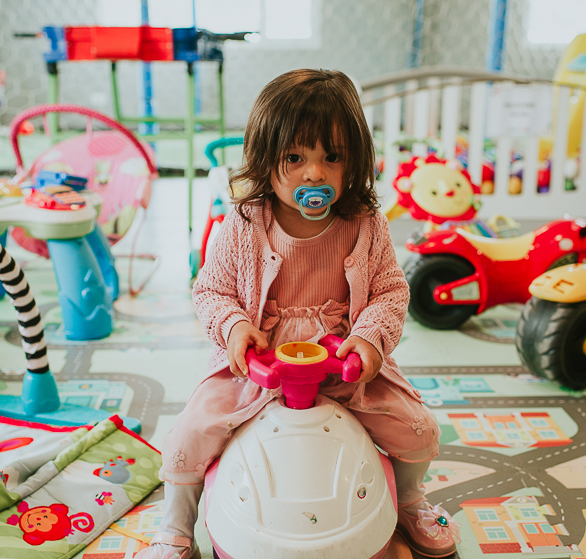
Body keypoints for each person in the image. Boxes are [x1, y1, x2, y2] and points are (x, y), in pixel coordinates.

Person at [137, 68, 460, 559]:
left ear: (355, 160)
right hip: (258, 364)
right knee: (189, 433)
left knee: (418, 426)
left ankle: (411, 500)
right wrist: (235, 327)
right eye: (295, 158)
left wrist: (370, 338)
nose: (314, 174)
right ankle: (176, 526)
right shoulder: (244, 221)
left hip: (342, 359)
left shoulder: (366, 223)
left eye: (332, 157)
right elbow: (211, 290)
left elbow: (390, 291)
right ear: (265, 158)